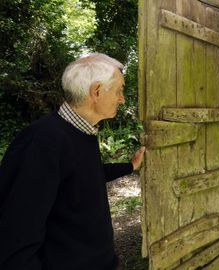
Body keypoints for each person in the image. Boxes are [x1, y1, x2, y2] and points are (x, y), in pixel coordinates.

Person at [0, 53, 146, 270]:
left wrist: (130, 166)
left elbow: (84, 174)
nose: (122, 99)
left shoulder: (79, 133)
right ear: (96, 91)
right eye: (119, 90)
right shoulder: (41, 141)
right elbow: (15, 243)